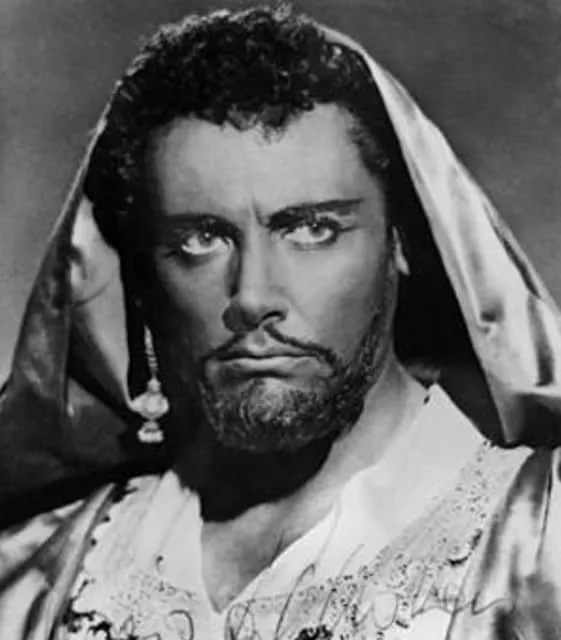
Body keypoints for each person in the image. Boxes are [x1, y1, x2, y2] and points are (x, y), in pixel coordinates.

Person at [1, 5, 561, 639]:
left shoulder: (539, 541)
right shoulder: (38, 579)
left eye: (313, 229)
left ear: (403, 240)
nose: (252, 296)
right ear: (141, 277)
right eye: (199, 240)